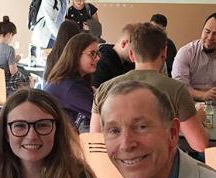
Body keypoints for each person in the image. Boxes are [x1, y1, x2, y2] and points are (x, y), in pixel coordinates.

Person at [90, 23, 208, 153]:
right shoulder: (176, 90)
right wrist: (200, 117)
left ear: (131, 54)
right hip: (159, 169)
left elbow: (96, 143)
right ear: (164, 53)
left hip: (110, 168)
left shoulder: (104, 89)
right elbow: (200, 145)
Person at [45, 33, 100, 133]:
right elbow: (103, 113)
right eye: (92, 54)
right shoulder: (70, 86)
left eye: (97, 54)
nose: (98, 58)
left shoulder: (66, 80)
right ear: (76, 55)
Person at [172, 13, 216, 102]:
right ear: (202, 30)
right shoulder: (185, 52)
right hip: (188, 103)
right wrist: (204, 95)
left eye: (215, 34)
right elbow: (180, 88)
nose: (210, 37)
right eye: (207, 31)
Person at [92, 23, 136, 88]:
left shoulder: (129, 62)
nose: (138, 53)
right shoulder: (101, 64)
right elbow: (98, 94)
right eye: (135, 48)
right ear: (124, 44)